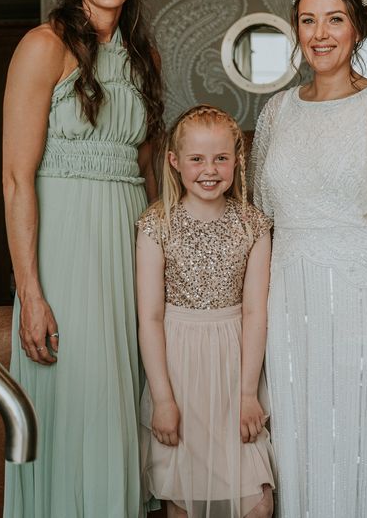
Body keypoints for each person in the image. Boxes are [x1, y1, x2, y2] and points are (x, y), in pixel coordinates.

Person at [2, 0, 163, 517]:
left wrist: (159, 270)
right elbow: (17, 180)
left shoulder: (143, 52)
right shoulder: (43, 46)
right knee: (72, 401)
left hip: (124, 246)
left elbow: (149, 173)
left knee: (120, 402)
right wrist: (31, 292)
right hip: (63, 251)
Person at [251, 0, 367, 517]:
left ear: (358, 30)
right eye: (308, 20)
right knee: (295, 438)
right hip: (287, 298)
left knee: (357, 439)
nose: (320, 33)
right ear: (296, 30)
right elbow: (263, 225)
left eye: (335, 19)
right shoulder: (276, 111)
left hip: (358, 295)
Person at [136, 105, 276, 518]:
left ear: (237, 159)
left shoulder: (254, 225)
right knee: (181, 498)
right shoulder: (155, 225)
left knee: (257, 502)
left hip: (237, 366)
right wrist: (162, 398)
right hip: (178, 369)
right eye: (196, 159)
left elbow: (255, 313)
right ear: (175, 163)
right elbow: (150, 317)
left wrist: (249, 393)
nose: (209, 170)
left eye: (221, 158)